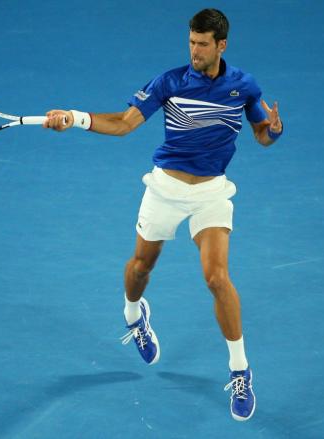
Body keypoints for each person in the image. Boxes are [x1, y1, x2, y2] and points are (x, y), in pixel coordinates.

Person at [43, 8, 282, 422]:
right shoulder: (169, 82)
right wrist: (76, 119)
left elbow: (263, 136)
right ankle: (134, 314)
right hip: (165, 189)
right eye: (191, 41)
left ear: (221, 45)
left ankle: (240, 369)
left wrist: (274, 129)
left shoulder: (243, 86)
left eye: (202, 44)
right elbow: (122, 123)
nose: (194, 50)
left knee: (217, 277)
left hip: (211, 192)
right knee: (140, 268)